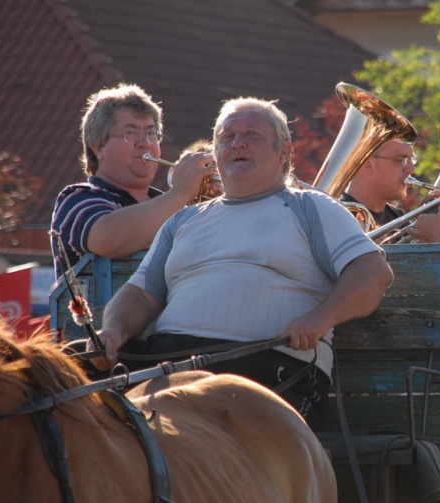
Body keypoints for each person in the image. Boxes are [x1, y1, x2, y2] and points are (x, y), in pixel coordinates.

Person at [93, 97, 394, 429]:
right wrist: (113, 332)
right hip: (168, 361)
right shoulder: (182, 221)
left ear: (284, 152)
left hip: (267, 366)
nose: (238, 143)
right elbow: (140, 294)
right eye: (227, 136)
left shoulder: (313, 208)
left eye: (252, 134)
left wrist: (320, 318)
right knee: (66, 376)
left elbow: (372, 273)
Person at [50, 84, 211, 279]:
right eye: (130, 133)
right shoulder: (77, 199)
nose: (145, 143)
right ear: (98, 148)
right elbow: (110, 239)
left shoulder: (170, 205)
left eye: (151, 133)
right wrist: (181, 194)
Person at [344, 139, 440, 242]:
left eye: (412, 160)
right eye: (401, 160)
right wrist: (438, 238)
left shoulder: (398, 217)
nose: (411, 169)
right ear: (369, 164)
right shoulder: (340, 218)